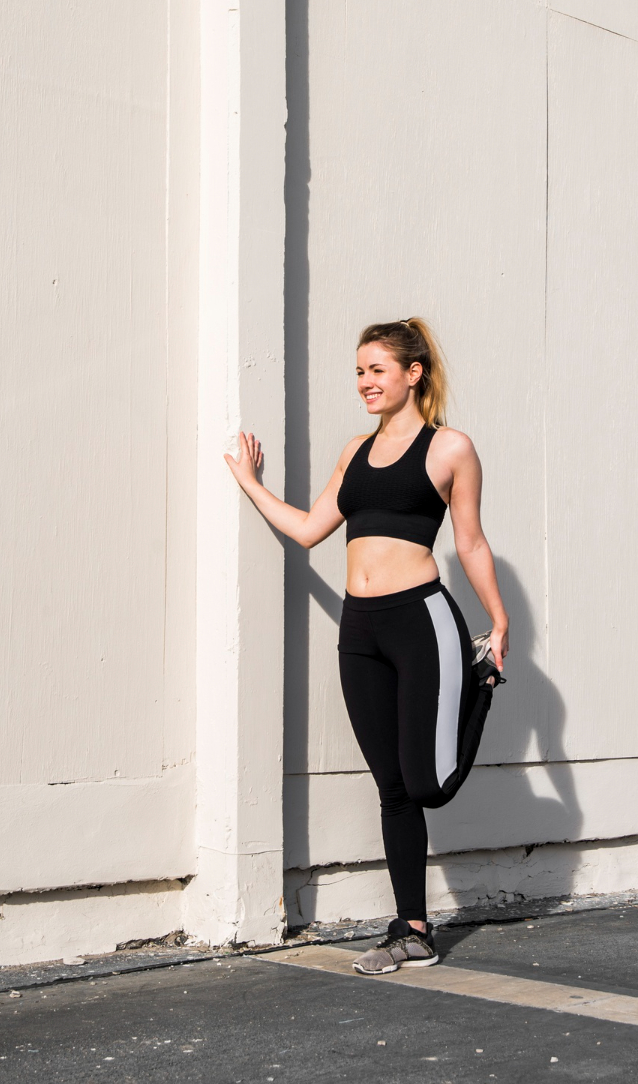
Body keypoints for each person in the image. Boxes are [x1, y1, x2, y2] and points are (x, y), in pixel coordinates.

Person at [224, 317, 510, 975]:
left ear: (413, 373)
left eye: (377, 370)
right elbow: (308, 530)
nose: (364, 383)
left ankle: (481, 689)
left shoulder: (450, 449)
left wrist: (498, 621)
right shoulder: (354, 452)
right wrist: (249, 481)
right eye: (358, 371)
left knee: (429, 785)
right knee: (393, 787)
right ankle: (412, 930)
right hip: (361, 630)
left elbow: (469, 542)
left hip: (422, 620)